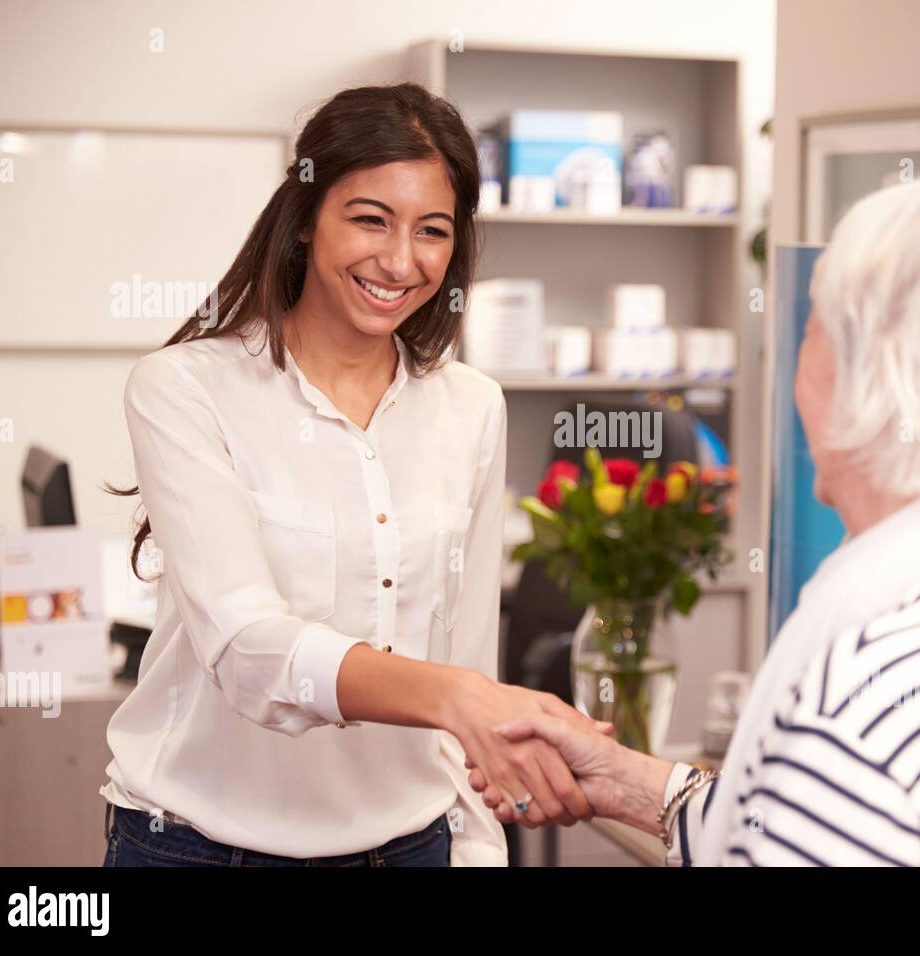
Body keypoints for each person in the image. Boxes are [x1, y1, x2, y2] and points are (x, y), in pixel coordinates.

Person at [468, 168, 920, 866]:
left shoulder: (857, 705)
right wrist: (621, 778)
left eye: (815, 331)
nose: (797, 365)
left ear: (880, 382)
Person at [101, 83, 603, 868]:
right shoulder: (184, 388)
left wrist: (476, 849)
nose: (400, 261)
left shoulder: (472, 407)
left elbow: (467, 649)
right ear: (304, 219)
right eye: (370, 218)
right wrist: (456, 697)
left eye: (432, 231)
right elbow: (248, 649)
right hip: (198, 847)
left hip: (410, 845)